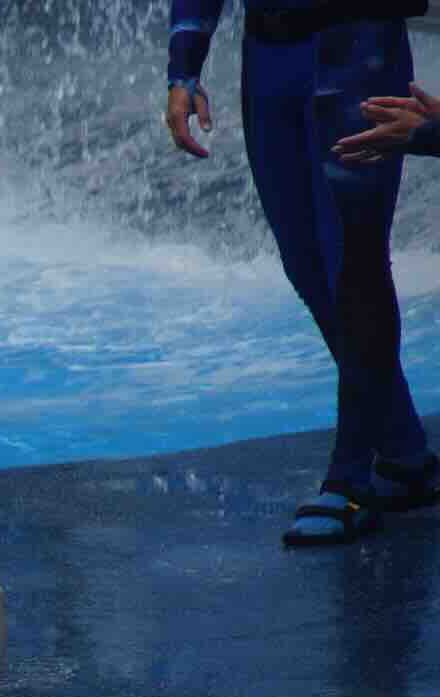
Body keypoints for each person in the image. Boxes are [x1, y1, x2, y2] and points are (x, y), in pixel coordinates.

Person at [166, 3, 438, 546]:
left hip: (357, 50)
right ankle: (406, 454)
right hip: (268, 56)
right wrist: (183, 68)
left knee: (354, 263)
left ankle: (350, 476)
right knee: (305, 263)